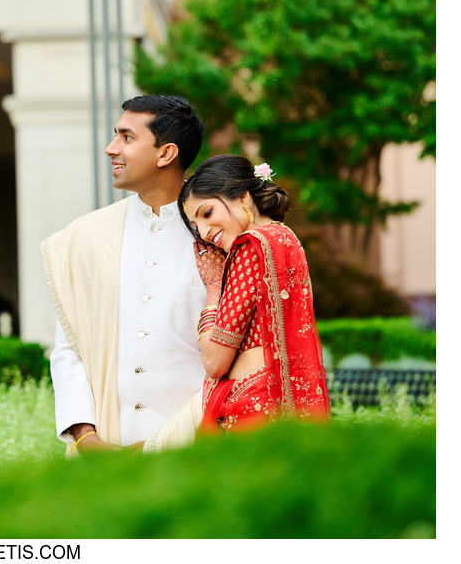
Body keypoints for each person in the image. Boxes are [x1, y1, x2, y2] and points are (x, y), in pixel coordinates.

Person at [42, 94, 207, 455]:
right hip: (101, 460)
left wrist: (166, 441)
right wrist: (85, 437)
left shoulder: (214, 236)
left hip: (197, 453)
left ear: (166, 154)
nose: (110, 148)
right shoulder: (83, 238)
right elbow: (68, 350)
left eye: (126, 138)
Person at [139, 154, 331, 453]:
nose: (203, 233)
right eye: (195, 224)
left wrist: (214, 289)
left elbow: (214, 362)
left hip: (250, 406)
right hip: (282, 404)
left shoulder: (249, 247)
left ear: (242, 196)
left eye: (207, 212)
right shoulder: (285, 238)